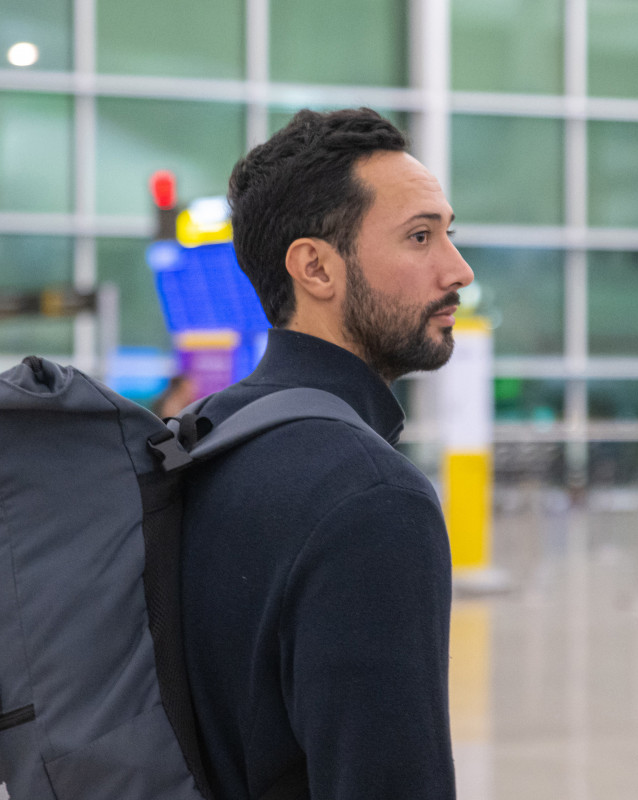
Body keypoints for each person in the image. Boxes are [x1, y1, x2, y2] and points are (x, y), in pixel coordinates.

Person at [181, 108, 473, 799]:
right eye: (420, 237)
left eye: (448, 235)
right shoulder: (371, 499)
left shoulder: (201, 437)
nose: (457, 269)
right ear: (315, 267)